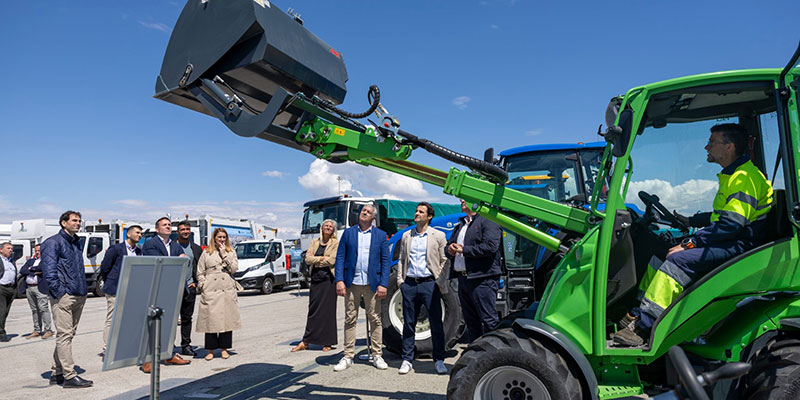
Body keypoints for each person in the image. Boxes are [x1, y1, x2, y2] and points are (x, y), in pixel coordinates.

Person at [612, 123, 774, 347]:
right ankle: (635, 314)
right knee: (659, 255)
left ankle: (643, 328)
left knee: (676, 261)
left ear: (729, 147)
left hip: (741, 244)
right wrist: (691, 221)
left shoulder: (744, 178)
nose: (706, 147)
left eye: (712, 142)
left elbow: (731, 225)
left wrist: (691, 243)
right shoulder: (734, 175)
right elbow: (721, 216)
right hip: (733, 239)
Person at [333, 204, 391, 372]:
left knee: (375, 319)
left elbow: (385, 261)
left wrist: (383, 283)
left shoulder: (380, 235)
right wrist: (339, 280)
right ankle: (348, 355)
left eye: (368, 212)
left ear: (373, 217)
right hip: (352, 283)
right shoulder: (349, 233)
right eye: (363, 211)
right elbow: (340, 258)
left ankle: (377, 354)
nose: (364, 213)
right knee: (350, 319)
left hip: (372, 284)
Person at [395, 202, 449, 375]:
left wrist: (439, 280)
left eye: (421, 211)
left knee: (435, 323)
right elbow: (402, 260)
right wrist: (400, 281)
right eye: (416, 211)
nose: (416, 213)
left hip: (429, 284)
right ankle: (407, 359)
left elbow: (444, 260)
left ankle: (439, 359)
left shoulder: (438, 236)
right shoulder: (406, 236)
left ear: (429, 216)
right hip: (410, 283)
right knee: (409, 323)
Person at [40, 211, 92, 388]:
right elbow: (49, 270)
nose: (78, 223)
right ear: (63, 223)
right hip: (64, 296)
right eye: (74, 221)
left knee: (68, 335)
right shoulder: (53, 242)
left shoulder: (76, 242)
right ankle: (69, 376)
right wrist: (59, 292)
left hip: (79, 293)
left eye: (79, 221)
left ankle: (57, 372)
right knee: (64, 335)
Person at [447, 199, 503, 342]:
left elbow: (491, 246)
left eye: (465, 197)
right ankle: (476, 354)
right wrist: (450, 249)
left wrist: (463, 250)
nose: (462, 200)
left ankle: (494, 354)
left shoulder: (488, 220)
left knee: (489, 320)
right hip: (464, 279)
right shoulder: (461, 224)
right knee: (471, 323)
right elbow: (449, 247)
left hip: (482, 279)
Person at [141, 217, 191, 372]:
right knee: (153, 324)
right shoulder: (151, 244)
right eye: (165, 225)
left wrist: (178, 259)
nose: (168, 227)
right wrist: (177, 259)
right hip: (157, 289)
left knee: (170, 325)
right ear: (157, 229)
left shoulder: (175, 245)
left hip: (173, 289)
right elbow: (159, 262)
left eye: (169, 225)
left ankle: (168, 354)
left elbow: (185, 260)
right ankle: (147, 360)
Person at [292, 219, 339, 353]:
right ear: (322, 228)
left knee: (328, 312)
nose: (328, 228)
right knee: (313, 311)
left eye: (331, 226)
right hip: (316, 279)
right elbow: (307, 259)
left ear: (333, 229)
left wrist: (317, 259)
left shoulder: (335, 243)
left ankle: (327, 342)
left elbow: (332, 260)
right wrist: (322, 258)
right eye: (326, 226)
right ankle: (306, 341)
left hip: (329, 280)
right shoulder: (314, 242)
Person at [196, 227, 242, 360]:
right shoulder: (206, 252)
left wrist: (224, 254)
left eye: (224, 237)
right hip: (211, 288)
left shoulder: (231, 251)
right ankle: (210, 350)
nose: (222, 240)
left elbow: (234, 269)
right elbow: (200, 271)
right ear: (214, 238)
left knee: (226, 320)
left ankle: (224, 348)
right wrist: (203, 284)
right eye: (219, 237)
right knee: (210, 320)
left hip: (226, 288)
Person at [99, 225, 142, 356]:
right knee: (112, 320)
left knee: (128, 320)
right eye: (137, 233)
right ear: (128, 234)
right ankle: (108, 349)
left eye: (141, 234)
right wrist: (111, 282)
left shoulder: (139, 251)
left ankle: (125, 347)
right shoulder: (116, 249)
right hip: (115, 289)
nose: (139, 235)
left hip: (131, 290)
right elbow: (105, 268)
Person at [176, 221, 202, 356]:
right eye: (182, 229)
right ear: (177, 232)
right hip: (173, 288)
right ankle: (168, 346)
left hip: (189, 287)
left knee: (187, 318)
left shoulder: (196, 248)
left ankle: (186, 345)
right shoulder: (172, 247)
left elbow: (200, 266)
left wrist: (196, 283)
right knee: (169, 318)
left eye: (187, 229)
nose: (185, 231)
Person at [19, 244, 54, 340]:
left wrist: (31, 269)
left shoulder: (46, 261)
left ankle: (48, 330)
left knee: (43, 308)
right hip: (29, 288)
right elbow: (22, 270)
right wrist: (33, 271)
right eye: (36, 251)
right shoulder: (31, 261)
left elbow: (42, 269)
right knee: (34, 310)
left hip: (40, 288)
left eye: (39, 250)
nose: (37, 252)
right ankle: (37, 330)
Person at [0, 242, 18, 342]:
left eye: (11, 249)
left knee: (5, 312)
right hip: (1, 288)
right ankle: (1, 334)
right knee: (1, 312)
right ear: (1, 250)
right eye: (8, 248)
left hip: (11, 289)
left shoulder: (11, 261)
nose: (11, 250)